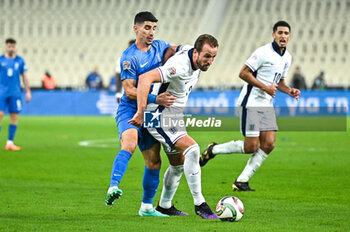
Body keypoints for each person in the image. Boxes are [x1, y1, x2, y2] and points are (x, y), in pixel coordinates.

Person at [200, 21, 300, 191]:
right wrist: (264, 87)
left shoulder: (287, 57)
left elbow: (279, 82)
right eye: (280, 33)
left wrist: (289, 90)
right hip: (251, 103)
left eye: (286, 33)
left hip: (266, 104)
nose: (283, 36)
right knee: (251, 147)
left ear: (289, 36)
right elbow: (243, 73)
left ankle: (242, 181)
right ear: (273, 35)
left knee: (269, 144)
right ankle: (213, 150)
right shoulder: (263, 52)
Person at [129, 34, 219, 219]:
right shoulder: (179, 66)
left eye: (213, 57)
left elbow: (172, 48)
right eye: (207, 56)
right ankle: (200, 204)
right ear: (196, 52)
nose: (210, 61)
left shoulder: (188, 52)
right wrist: (140, 112)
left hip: (173, 115)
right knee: (193, 149)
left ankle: (164, 206)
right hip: (157, 114)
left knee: (177, 165)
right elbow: (146, 78)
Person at [105, 11, 185, 217]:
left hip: (151, 111)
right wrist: (154, 98)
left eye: (154, 28)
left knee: (154, 162)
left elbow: (176, 48)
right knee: (129, 143)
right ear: (136, 29)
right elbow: (130, 90)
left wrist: (192, 50)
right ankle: (113, 187)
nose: (151, 32)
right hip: (130, 109)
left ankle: (147, 208)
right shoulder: (129, 57)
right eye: (147, 28)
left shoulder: (159, 46)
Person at [0, 38, 31, 150]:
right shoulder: (0, 60)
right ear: (6, 46)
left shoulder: (20, 61)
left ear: (15, 47)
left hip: (15, 93)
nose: (11, 48)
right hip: (2, 93)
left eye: (13, 46)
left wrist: (28, 91)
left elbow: (25, 77)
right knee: (0, 115)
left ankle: (10, 142)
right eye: (9, 46)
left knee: (14, 117)